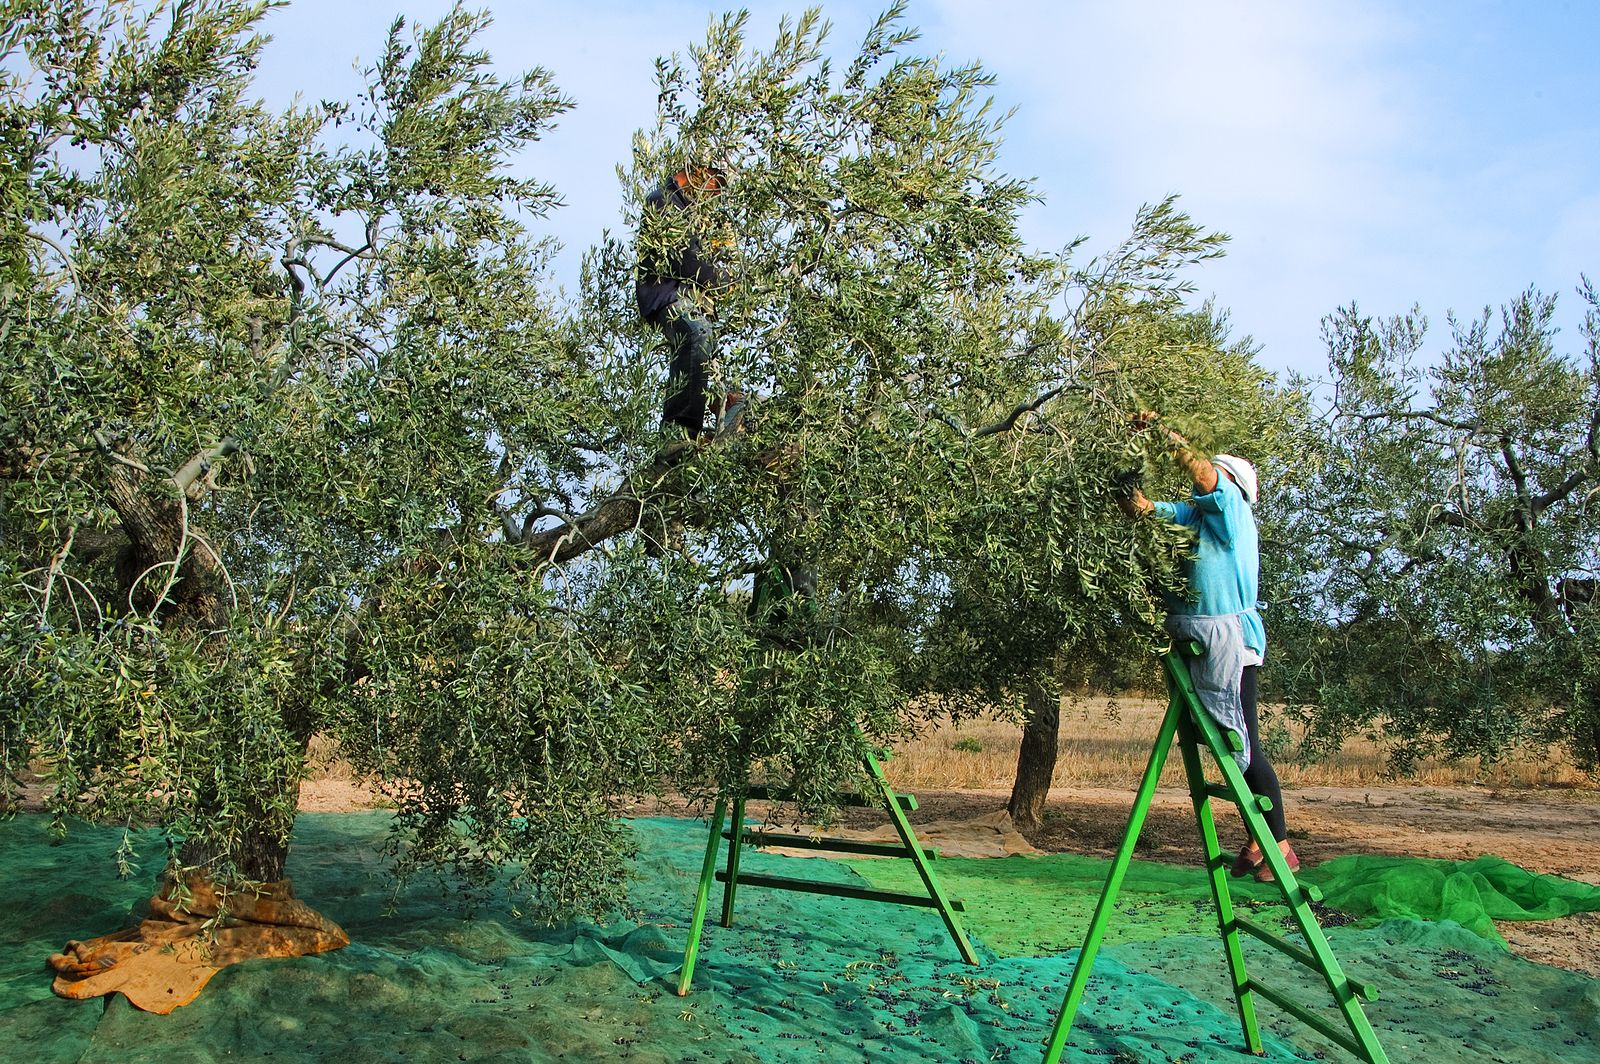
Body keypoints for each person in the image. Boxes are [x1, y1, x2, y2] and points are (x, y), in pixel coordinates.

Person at [1116, 411, 1297, 882]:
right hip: (1199, 640)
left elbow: (1201, 473)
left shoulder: (1232, 512)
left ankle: (1278, 843)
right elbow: (1151, 511)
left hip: (1229, 644)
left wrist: (1158, 430)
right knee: (1224, 741)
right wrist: (1120, 481)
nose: (1202, 489)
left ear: (1231, 487)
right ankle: (1262, 840)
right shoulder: (1197, 516)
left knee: (1244, 744)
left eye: (1214, 481)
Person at [635, 165, 735, 438]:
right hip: (666, 297)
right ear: (698, 172)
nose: (714, 192)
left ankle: (725, 415)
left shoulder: (692, 213)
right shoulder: (663, 201)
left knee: (706, 361)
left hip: (688, 301)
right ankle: (678, 431)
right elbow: (685, 259)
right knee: (696, 333)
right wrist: (723, 280)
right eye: (715, 183)